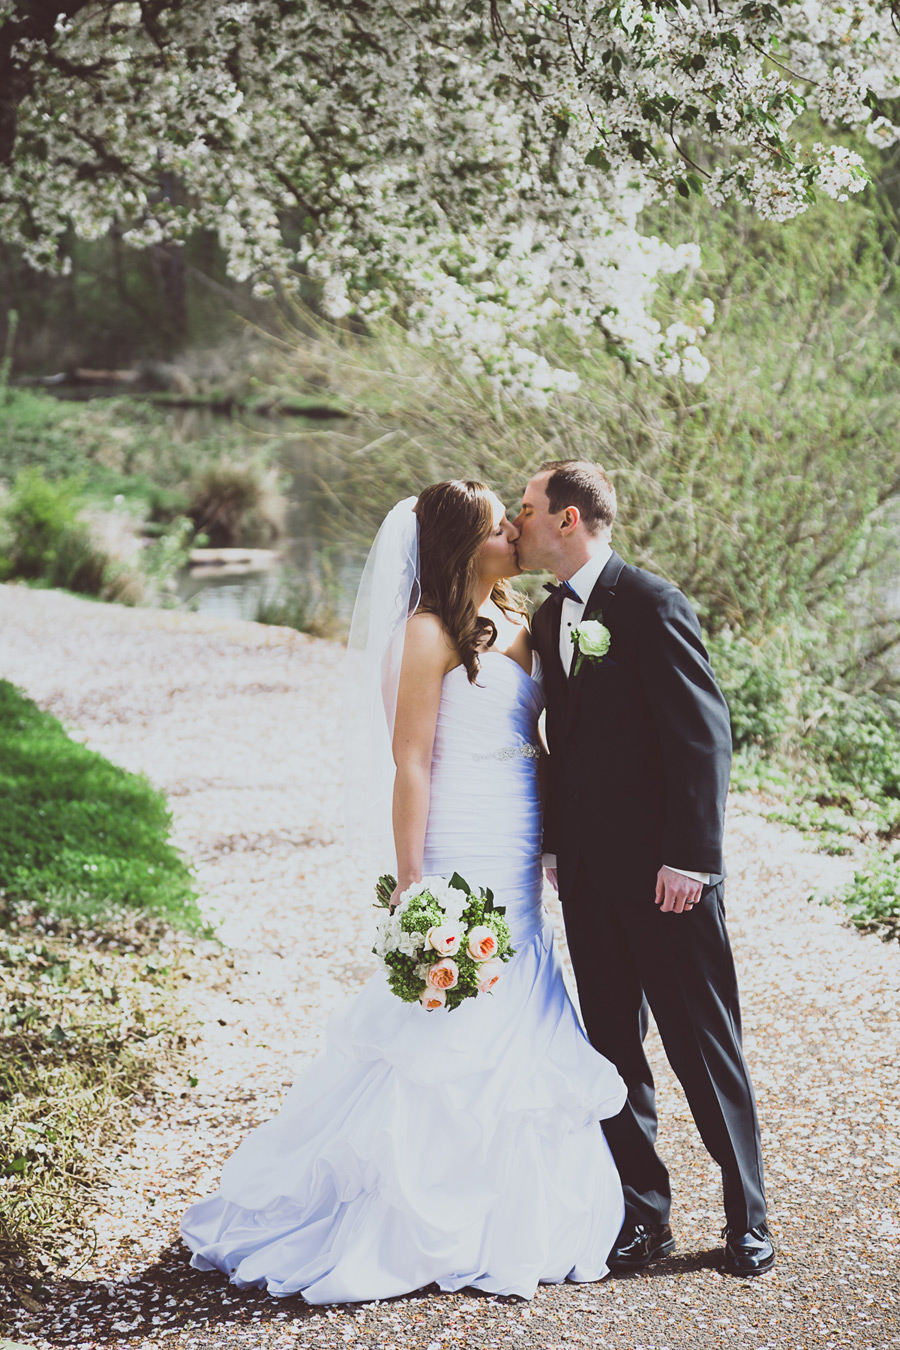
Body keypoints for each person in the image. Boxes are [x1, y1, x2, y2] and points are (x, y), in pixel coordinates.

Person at [181, 480, 627, 1304]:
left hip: (519, 831)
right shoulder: (424, 635)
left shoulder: (523, 624)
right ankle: (415, 1207)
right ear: (465, 546)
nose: (514, 538)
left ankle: (515, 1208)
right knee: (448, 1012)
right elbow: (413, 761)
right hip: (460, 834)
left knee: (520, 983)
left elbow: (547, 737)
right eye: (501, 528)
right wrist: (414, 878)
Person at [514, 459, 775, 1279]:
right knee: (613, 1051)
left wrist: (692, 860)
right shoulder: (551, 616)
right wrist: (557, 843)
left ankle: (748, 1217)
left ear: (567, 519)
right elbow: (560, 745)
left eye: (525, 509)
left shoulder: (653, 602)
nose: (516, 523)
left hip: (669, 880)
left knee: (704, 1046)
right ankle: (644, 1216)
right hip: (589, 879)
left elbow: (704, 738)